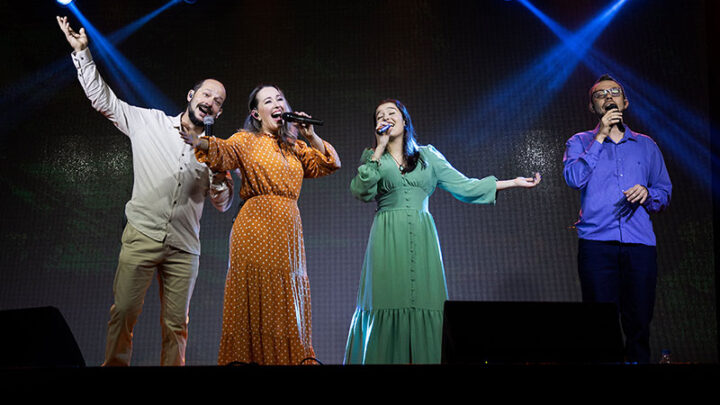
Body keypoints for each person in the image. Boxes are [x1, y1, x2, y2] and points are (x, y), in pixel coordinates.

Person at [57, 16, 234, 366]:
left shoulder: (218, 150)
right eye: (206, 94)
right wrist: (82, 54)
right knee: (123, 313)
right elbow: (103, 100)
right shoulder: (149, 122)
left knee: (176, 325)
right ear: (191, 96)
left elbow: (223, 203)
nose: (210, 101)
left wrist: (213, 163)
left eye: (218, 100)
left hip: (184, 247)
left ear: (219, 112)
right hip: (141, 235)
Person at [344, 99, 541, 364]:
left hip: (423, 238)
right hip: (386, 239)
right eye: (379, 116)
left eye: (391, 113)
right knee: (385, 301)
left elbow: (466, 187)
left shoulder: (428, 156)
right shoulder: (372, 158)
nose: (385, 118)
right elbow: (360, 190)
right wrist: (378, 150)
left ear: (404, 120)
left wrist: (512, 182)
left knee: (427, 303)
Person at [181, 84, 341, 365]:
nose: (278, 103)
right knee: (254, 297)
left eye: (280, 98)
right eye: (269, 100)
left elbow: (330, 163)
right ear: (256, 113)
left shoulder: (296, 147)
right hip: (254, 227)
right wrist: (199, 141)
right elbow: (221, 151)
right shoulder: (245, 140)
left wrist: (310, 135)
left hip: (288, 230)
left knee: (287, 299)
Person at [563, 74, 672, 364]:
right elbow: (574, 178)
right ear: (592, 106)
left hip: (640, 246)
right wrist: (599, 137)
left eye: (615, 92)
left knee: (639, 324)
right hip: (597, 245)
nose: (608, 97)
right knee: (600, 326)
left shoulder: (646, 145)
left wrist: (647, 194)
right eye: (601, 95)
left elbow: (664, 191)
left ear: (625, 102)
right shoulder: (579, 142)